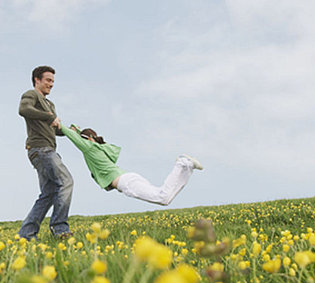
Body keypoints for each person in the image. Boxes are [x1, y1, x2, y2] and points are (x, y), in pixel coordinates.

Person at [60, 124, 203, 206]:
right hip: (129, 178)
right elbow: (82, 137)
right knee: (166, 199)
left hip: (125, 182)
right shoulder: (99, 148)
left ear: (88, 139)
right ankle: (187, 166)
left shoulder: (90, 148)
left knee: (163, 197)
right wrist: (77, 131)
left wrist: (60, 125)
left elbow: (76, 139)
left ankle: (181, 163)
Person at [17, 66, 74, 240]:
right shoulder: (31, 95)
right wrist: (49, 117)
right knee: (66, 181)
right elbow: (23, 109)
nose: (51, 84)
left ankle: (26, 234)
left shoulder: (50, 104)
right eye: (48, 80)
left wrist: (69, 130)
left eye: (53, 82)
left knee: (48, 193)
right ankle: (60, 228)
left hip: (46, 150)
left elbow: (53, 128)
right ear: (37, 80)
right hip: (41, 149)